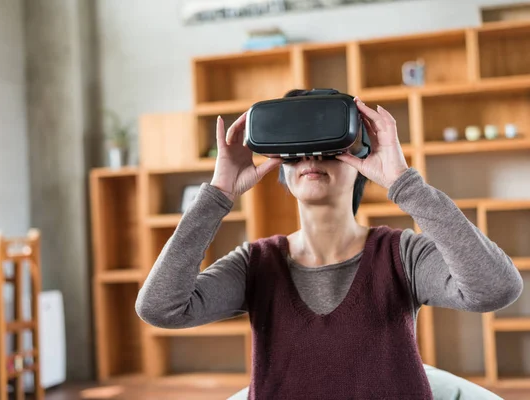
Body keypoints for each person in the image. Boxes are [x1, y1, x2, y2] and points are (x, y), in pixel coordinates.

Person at [135, 91, 523, 400]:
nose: (311, 156)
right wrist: (219, 194)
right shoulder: (256, 264)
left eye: (328, 142)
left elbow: (496, 288)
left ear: (360, 158)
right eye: (297, 147)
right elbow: (160, 308)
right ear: (281, 170)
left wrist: (404, 182)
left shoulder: (401, 254)